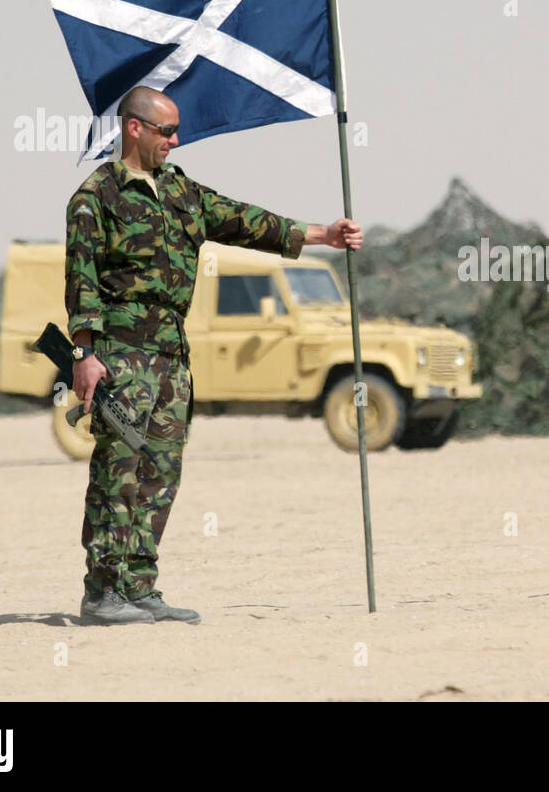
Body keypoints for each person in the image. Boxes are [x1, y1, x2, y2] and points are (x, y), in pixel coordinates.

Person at [65, 85, 363, 625]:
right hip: (122, 354)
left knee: (161, 473)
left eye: (176, 132)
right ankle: (103, 591)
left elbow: (246, 222)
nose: (175, 142)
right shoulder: (96, 197)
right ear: (134, 128)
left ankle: (139, 587)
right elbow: (81, 279)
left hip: (172, 359)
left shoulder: (181, 191)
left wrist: (323, 234)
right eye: (165, 131)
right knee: (118, 470)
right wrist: (85, 354)